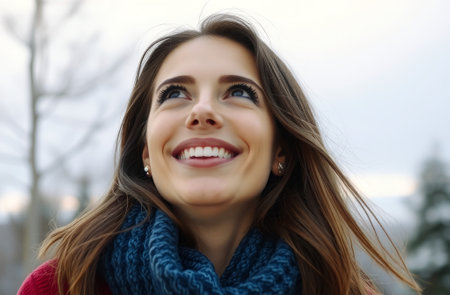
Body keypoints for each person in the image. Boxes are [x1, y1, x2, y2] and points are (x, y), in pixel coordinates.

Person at [19, 14, 421, 295]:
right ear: (145, 151)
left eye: (239, 92)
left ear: (281, 149)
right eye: (174, 93)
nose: (202, 111)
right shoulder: (61, 288)